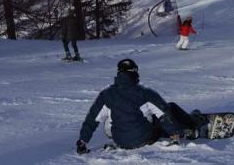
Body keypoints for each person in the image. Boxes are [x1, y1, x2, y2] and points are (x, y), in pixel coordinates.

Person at [76, 59, 206, 154]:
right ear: (134, 73)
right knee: (169, 107)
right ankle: (193, 124)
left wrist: (83, 141)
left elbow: (92, 118)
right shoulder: (145, 93)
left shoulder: (106, 95)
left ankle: (177, 129)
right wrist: (175, 136)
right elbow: (164, 113)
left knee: (118, 115)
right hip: (143, 138)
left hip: (120, 140)